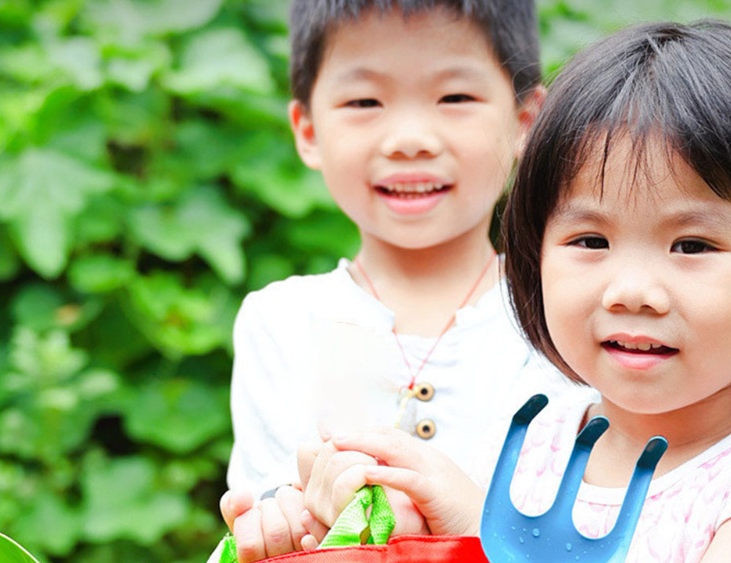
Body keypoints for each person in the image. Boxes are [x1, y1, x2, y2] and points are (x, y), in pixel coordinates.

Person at [294, 20, 731, 563]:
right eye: (588, 240)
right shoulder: (543, 439)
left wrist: (479, 531)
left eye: (691, 246)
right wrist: (386, 523)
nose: (631, 289)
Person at [224, 0, 577, 504]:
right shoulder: (280, 322)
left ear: (525, 120)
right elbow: (274, 528)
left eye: (454, 97)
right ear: (307, 130)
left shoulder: (565, 311)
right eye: (364, 102)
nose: (410, 141)